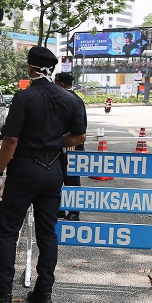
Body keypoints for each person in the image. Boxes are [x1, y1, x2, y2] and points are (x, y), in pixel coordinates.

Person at [0, 46, 87, 303]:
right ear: (52, 70)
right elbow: (79, 137)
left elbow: (12, 139)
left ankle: (3, 293)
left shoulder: (24, 97)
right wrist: (53, 142)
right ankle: (44, 293)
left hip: (25, 170)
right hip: (53, 171)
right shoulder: (71, 99)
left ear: (30, 68)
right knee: (47, 233)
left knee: (8, 231)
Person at [55, 72, 87, 222]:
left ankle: (74, 212)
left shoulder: (69, 100)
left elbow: (79, 126)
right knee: (59, 178)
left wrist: (71, 141)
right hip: (63, 144)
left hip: (71, 145)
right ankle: (60, 209)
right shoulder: (75, 99)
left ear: (60, 84)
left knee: (72, 180)